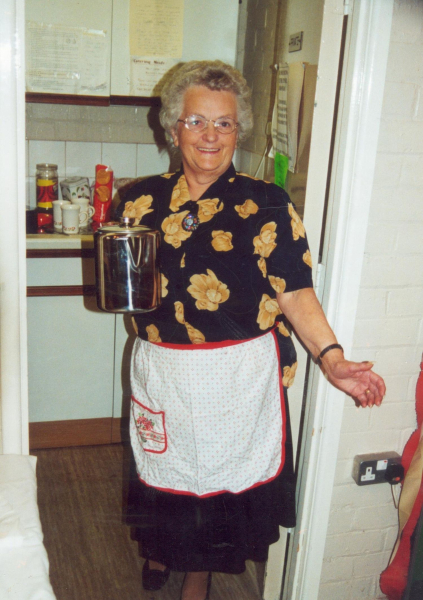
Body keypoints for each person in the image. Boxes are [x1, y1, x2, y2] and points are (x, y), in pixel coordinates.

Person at [116, 60, 385, 600]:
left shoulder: (266, 204)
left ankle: (198, 575)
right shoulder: (138, 200)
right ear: (173, 128)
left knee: (215, 496)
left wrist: (331, 358)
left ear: (239, 131)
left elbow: (296, 292)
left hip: (234, 380)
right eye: (196, 122)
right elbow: (124, 284)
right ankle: (158, 549)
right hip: (163, 371)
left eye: (224, 124)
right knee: (162, 477)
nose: (210, 136)